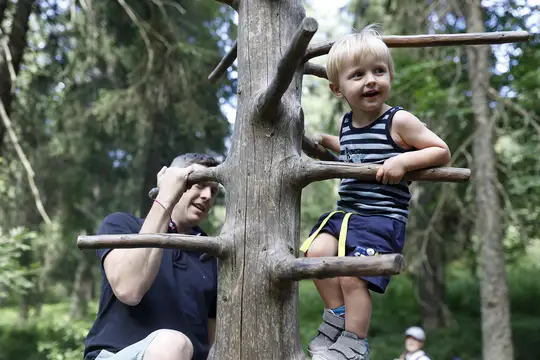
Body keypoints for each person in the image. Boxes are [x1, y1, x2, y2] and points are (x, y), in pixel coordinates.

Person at [299, 24, 451, 360]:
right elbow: (355, 151)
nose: (371, 80)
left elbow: (441, 151)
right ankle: (337, 320)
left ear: (390, 77)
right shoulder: (347, 123)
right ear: (337, 89)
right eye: (358, 75)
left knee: (353, 275)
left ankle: (354, 343)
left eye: (379, 71)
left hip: (382, 218)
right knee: (314, 254)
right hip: (347, 214)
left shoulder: (399, 121)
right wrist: (330, 142)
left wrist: (404, 160)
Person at [83, 153, 221, 360]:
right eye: (199, 184)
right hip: (116, 355)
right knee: (173, 345)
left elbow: (215, 342)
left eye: (214, 190)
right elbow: (129, 289)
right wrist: (166, 195)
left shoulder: (212, 256)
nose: (207, 195)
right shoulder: (121, 225)